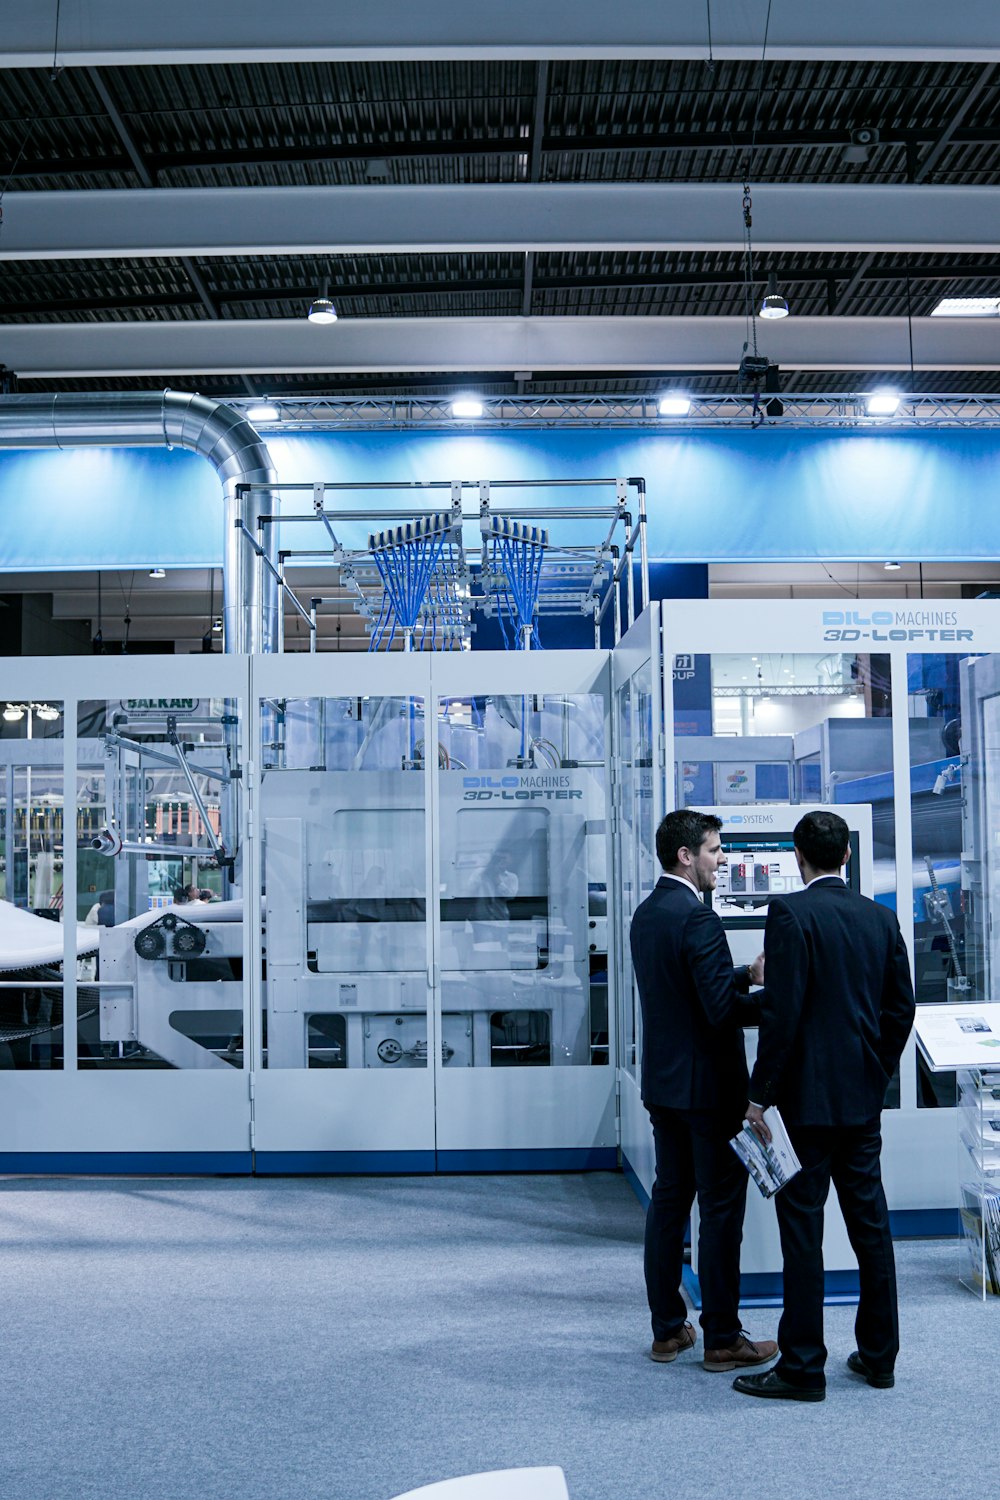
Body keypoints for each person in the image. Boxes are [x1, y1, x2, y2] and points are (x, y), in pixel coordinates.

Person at [734, 810, 915, 1404]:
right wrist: (874, 1073)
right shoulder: (881, 918)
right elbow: (899, 1012)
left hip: (805, 1108)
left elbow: (782, 1017)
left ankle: (804, 1367)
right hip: (861, 1106)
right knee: (872, 1229)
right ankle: (879, 1357)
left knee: (803, 1234)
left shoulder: (790, 913)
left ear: (797, 856)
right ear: (846, 857)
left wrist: (760, 1096)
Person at [629, 809, 777, 1373]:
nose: (722, 860)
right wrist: (778, 1000)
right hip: (709, 1093)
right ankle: (722, 1338)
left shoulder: (648, 915)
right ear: (686, 856)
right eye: (715, 850)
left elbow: (687, 989)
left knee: (669, 1203)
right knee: (719, 1213)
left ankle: (668, 1330)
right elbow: (719, 1012)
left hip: (664, 1086)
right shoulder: (699, 920)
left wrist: (743, 975)